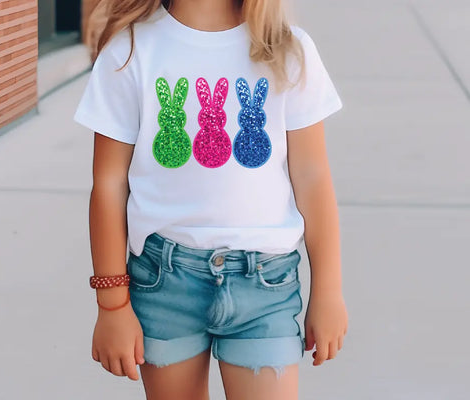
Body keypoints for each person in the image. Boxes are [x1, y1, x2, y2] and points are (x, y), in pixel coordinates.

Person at [73, 0, 348, 398]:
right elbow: (109, 184)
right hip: (164, 283)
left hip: (265, 286)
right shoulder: (130, 50)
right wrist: (112, 305)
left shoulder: (287, 49)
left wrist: (328, 291)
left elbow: (313, 177)